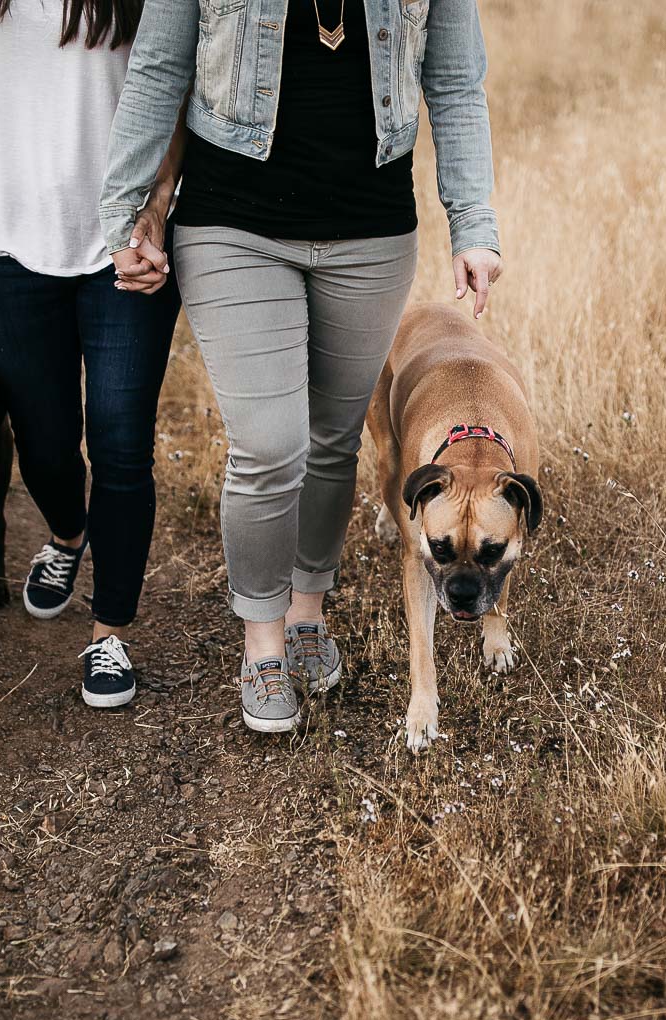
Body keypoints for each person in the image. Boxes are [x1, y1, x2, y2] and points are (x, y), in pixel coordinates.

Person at [100, 0, 502, 733]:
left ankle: (307, 611)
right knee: (267, 443)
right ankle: (262, 642)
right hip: (232, 223)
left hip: (371, 231)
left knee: (332, 438)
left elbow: (455, 81)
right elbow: (159, 67)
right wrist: (129, 211)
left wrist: (473, 225)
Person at [0, 0, 185, 709]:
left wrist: (156, 204)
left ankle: (110, 631)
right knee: (45, 442)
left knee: (121, 444)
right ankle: (67, 532)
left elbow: (179, 73)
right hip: (1, 242)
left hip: (123, 242)